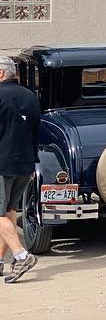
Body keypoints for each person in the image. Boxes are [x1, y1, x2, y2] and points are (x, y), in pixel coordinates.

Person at [0, 55, 40, 284]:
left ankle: (21, 255)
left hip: (2, 163)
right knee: (9, 212)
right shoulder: (29, 96)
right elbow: (37, 131)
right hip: (25, 164)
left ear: (1, 73)